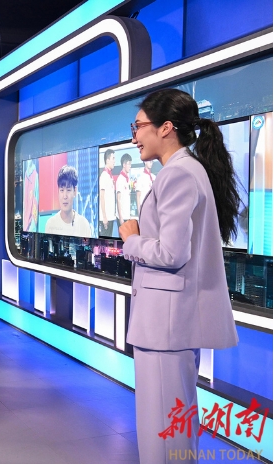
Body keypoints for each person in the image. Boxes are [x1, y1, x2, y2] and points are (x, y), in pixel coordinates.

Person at [119, 88, 239, 464]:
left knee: (162, 432)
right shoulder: (188, 170)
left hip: (164, 327)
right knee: (174, 425)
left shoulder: (178, 174)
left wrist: (132, 240)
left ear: (166, 127)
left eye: (138, 126)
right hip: (169, 324)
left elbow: (172, 253)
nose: (134, 137)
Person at [43, 165, 94, 238]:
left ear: (75, 191)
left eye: (68, 190)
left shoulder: (84, 224)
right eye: (62, 190)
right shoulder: (51, 224)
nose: (65, 196)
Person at [99, 149, 117, 236]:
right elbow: (101, 197)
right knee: (104, 241)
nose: (114, 161)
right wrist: (104, 217)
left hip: (111, 217)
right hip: (105, 219)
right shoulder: (104, 176)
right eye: (113, 158)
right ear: (107, 160)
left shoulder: (110, 176)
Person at [115, 153, 132, 225]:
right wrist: (120, 217)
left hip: (127, 215)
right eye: (129, 164)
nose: (130, 166)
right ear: (124, 165)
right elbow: (118, 199)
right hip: (122, 217)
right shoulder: (120, 179)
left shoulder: (127, 179)